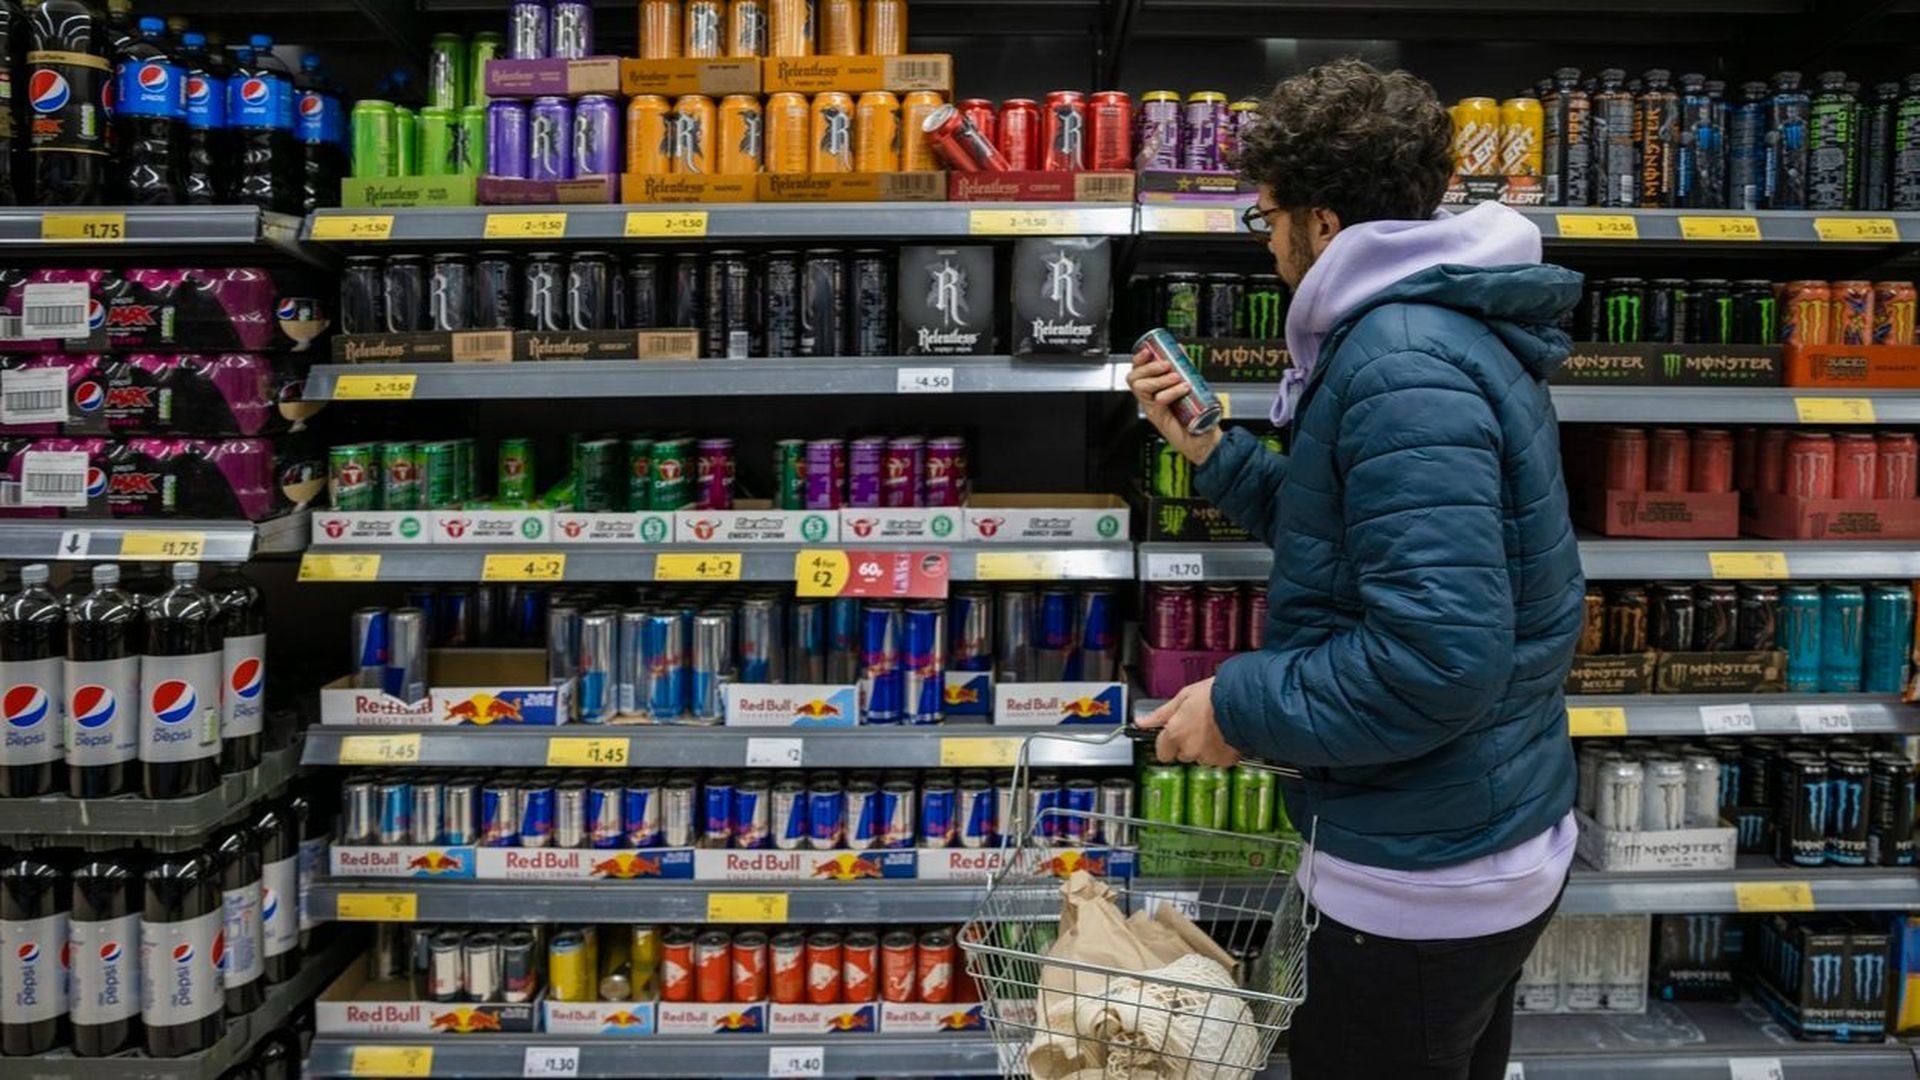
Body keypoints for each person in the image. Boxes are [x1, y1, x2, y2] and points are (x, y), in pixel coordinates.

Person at [1130, 59, 1586, 1080]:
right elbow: (1369, 535)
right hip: (1463, 832)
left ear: (1324, 224)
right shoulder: (1422, 331)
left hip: (1433, 874)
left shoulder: (1399, 362)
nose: (1271, 243)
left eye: (1269, 219)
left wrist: (1235, 706)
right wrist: (1220, 455)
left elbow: (1435, 660)